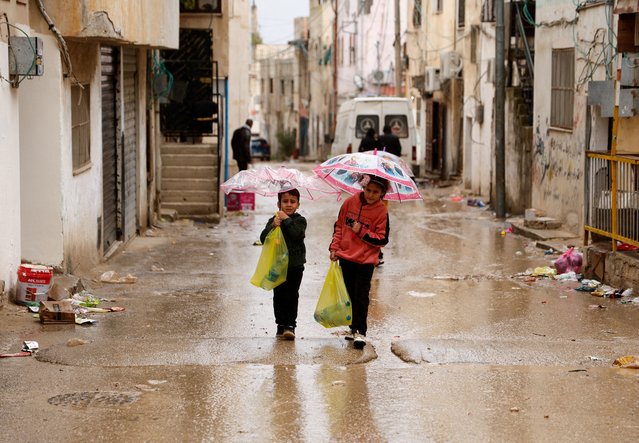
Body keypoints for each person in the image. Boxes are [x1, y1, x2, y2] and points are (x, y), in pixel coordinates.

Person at [329, 174, 389, 349]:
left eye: (375, 192)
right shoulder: (349, 202)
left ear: (382, 193)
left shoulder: (382, 211)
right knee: (348, 294)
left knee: (361, 296)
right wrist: (334, 248)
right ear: (363, 187)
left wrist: (361, 231)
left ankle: (360, 331)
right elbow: (339, 226)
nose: (370, 195)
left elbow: (382, 239)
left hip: (365, 261)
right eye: (368, 190)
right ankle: (352, 327)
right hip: (346, 258)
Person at [260, 189, 307, 340]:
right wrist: (272, 226)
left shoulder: (300, 221)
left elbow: (297, 234)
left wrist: (286, 219)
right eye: (285, 202)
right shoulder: (274, 220)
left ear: (298, 204)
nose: (288, 205)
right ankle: (280, 324)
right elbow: (263, 239)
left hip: (295, 266)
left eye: (292, 202)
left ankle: (290, 325)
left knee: (292, 295)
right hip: (277, 266)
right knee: (279, 295)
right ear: (278, 204)